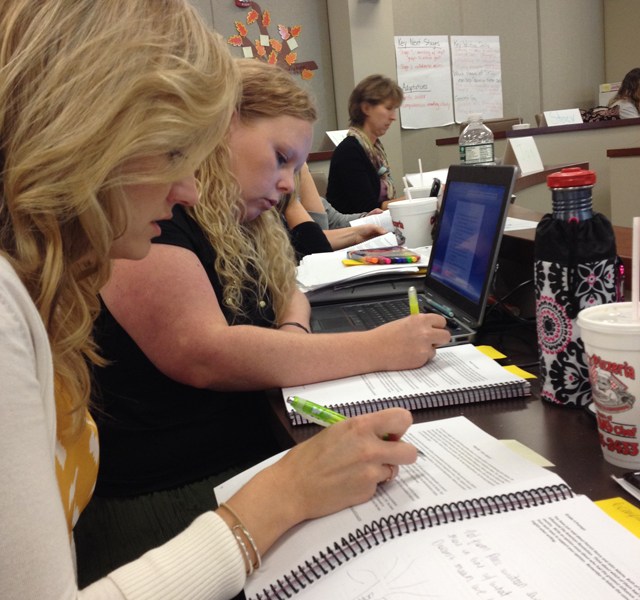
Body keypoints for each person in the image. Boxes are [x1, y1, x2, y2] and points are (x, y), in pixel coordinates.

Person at [0, 2, 420, 599]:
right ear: (87, 131)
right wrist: (285, 493)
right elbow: (204, 352)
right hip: (167, 490)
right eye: (174, 151)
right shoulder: (11, 307)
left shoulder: (41, 280)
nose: (190, 186)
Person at [74, 58, 450, 585]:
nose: (285, 185)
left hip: (234, 460)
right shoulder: (150, 218)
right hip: (169, 496)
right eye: (279, 158)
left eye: (294, 168)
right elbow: (205, 353)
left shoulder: (236, 221)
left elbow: (287, 292)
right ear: (221, 126)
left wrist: (290, 336)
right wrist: (379, 347)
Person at [326, 74, 404, 214]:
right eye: (388, 108)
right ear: (366, 108)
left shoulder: (375, 149)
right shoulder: (349, 151)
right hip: (356, 230)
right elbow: (368, 208)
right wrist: (413, 199)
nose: (393, 117)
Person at [282, 163, 387, 255]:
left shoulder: (302, 198)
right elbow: (317, 245)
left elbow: (335, 221)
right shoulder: (276, 206)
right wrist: (303, 171)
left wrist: (364, 219)